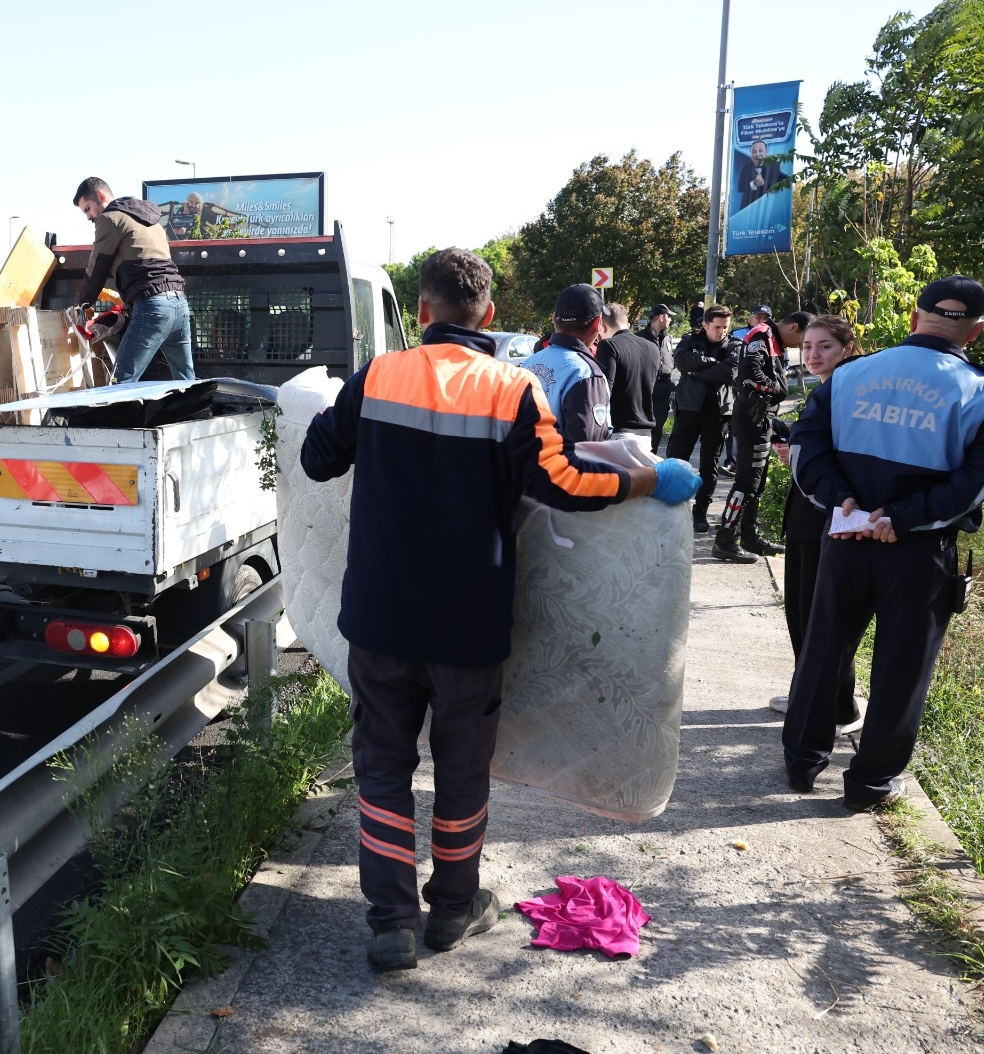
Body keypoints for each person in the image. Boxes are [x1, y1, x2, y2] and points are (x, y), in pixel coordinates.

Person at [299, 247, 701, 971]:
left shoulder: (379, 375)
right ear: (487, 313)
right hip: (468, 624)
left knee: (382, 770)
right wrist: (645, 481)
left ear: (420, 310)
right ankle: (453, 910)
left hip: (381, 620)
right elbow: (562, 484)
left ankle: (391, 924)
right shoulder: (513, 388)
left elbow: (316, 459)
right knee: (461, 772)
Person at [783, 276, 984, 810]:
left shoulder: (850, 374)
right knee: (902, 666)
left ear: (915, 319)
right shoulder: (978, 390)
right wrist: (900, 518)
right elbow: (974, 483)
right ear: (976, 332)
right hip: (919, 551)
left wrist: (843, 502)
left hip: (845, 535)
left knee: (823, 650)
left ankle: (802, 761)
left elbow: (805, 446)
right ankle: (870, 783)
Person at [770, 315, 862, 732]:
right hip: (807, 517)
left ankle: (838, 708)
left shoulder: (849, 391)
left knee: (819, 617)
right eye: (807, 346)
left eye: (825, 346)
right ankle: (808, 692)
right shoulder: (826, 389)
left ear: (848, 348)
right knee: (802, 613)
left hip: (828, 518)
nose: (813, 354)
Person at [72, 177, 194, 383]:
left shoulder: (109, 218)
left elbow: (96, 270)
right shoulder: (152, 221)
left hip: (153, 307)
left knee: (121, 383)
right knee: (187, 382)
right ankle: (199, 405)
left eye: (88, 209)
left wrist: (81, 306)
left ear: (101, 196)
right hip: (180, 305)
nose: (89, 217)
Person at [711, 306, 790, 561]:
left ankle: (749, 536)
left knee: (757, 482)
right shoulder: (761, 334)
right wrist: (776, 390)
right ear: (795, 328)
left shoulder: (772, 338)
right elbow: (749, 372)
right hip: (750, 418)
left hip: (762, 419)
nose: (804, 346)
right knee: (746, 483)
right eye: (804, 341)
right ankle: (724, 540)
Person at [667, 306, 740, 532]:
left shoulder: (734, 345)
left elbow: (729, 373)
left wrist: (697, 370)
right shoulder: (690, 340)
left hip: (718, 413)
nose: (721, 331)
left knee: (709, 467)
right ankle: (672, 511)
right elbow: (682, 362)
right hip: (688, 409)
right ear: (705, 325)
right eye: (717, 327)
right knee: (676, 462)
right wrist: (711, 362)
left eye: (725, 327)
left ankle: (700, 514)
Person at [520, 284, 613, 445]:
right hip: (559, 461)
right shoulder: (585, 373)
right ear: (598, 323)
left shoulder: (529, 363)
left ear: (554, 318)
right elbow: (589, 450)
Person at [595, 302, 662, 451]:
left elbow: (603, 392)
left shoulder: (608, 346)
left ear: (603, 327)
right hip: (645, 434)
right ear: (628, 324)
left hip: (618, 433)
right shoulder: (652, 347)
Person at [638, 303, 678, 453]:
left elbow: (670, 359)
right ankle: (640, 458)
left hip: (663, 390)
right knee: (643, 427)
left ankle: (652, 457)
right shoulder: (640, 337)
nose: (670, 320)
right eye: (669, 317)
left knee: (657, 427)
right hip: (645, 389)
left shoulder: (668, 338)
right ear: (661, 317)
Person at [734, 140, 782, 211]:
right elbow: (740, 188)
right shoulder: (746, 166)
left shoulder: (774, 165)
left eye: (760, 151)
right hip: (747, 210)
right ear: (750, 154)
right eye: (754, 152)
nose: (757, 154)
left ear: (766, 152)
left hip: (768, 209)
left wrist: (764, 183)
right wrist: (754, 183)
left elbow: (778, 186)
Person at [776, 310, 810, 385]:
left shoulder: (778, 344)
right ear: (793, 327)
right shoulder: (763, 338)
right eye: (800, 342)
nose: (801, 348)